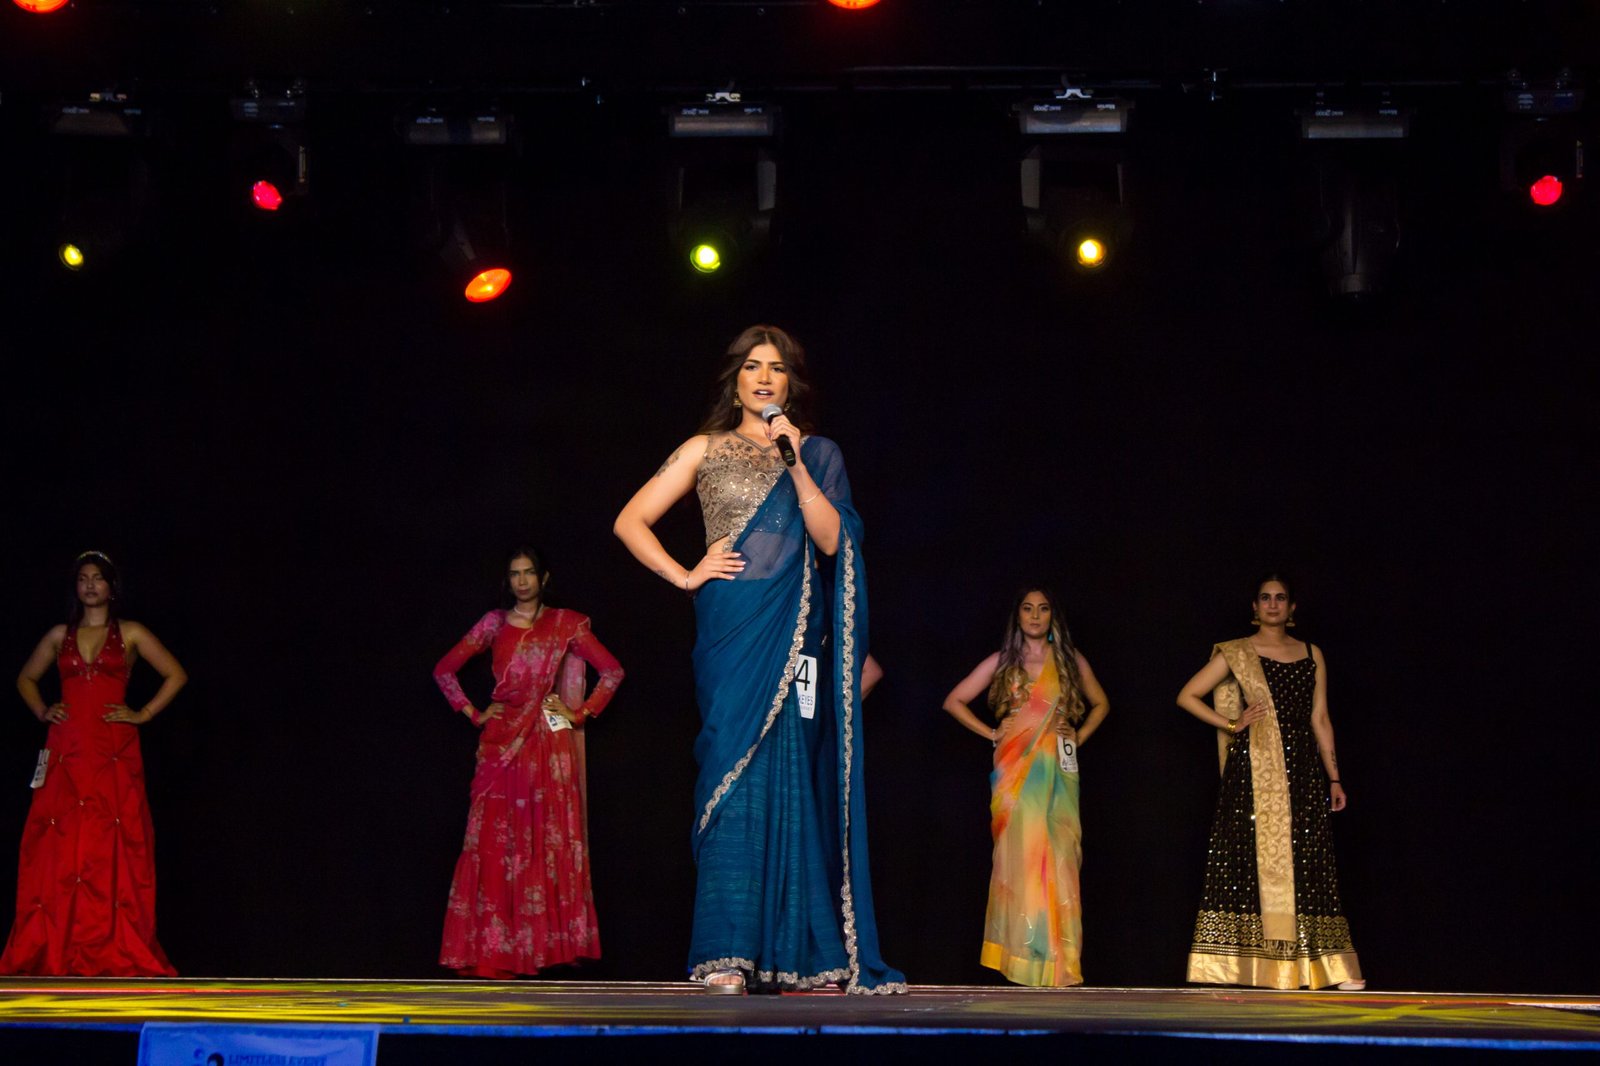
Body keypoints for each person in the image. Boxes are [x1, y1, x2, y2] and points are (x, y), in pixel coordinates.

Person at [613, 324, 904, 995]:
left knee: (793, 778)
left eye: (777, 368)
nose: (764, 378)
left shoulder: (817, 452)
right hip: (731, 630)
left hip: (795, 633)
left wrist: (794, 463)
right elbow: (630, 520)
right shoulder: (704, 447)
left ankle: (802, 958)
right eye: (752, 367)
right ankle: (725, 954)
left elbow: (832, 541)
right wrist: (686, 574)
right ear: (735, 379)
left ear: (791, 383)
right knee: (731, 774)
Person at [431, 546, 624, 978]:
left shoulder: (566, 624)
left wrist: (579, 713)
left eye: (529, 573)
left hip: (548, 744)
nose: (522, 581)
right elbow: (444, 670)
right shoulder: (493, 624)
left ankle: (539, 950)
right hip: (501, 743)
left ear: (543, 578)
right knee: (495, 842)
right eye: (515, 574)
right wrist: (474, 713)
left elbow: (612, 671)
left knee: (543, 839)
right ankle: (496, 950)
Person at [1, 551, 186, 976]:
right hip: (67, 748)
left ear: (111, 586)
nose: (89, 585)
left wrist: (143, 713)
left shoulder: (131, 632)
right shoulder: (58, 635)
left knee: (111, 839)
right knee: (61, 841)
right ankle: (57, 943)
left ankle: (109, 943)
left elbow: (176, 674)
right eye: (83, 578)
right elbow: (25, 677)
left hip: (112, 748)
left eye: (98, 578)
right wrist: (42, 709)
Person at [1175, 573, 1363, 990]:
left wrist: (1334, 777)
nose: (1273, 604)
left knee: (1308, 863)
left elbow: (1320, 718)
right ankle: (1242, 965)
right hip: (1252, 771)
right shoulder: (1238, 651)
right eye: (1265, 598)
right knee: (1246, 862)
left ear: (1291, 608)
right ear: (1255, 607)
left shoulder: (1311, 653)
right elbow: (1187, 695)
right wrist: (1232, 723)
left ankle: (1327, 967)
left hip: (1302, 772)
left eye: (1280, 598)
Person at [942, 587, 1109, 987]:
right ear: (1017, 615)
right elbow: (954, 701)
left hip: (1057, 766)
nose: (1035, 616)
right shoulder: (1004, 660)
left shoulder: (1069, 660)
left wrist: (1079, 735)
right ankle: (1024, 956)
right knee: (1021, 856)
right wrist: (992, 732)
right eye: (1028, 608)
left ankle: (1057, 959)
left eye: (1043, 609)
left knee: (1059, 855)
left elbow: (1101, 703)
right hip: (1015, 770)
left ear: (1053, 616)